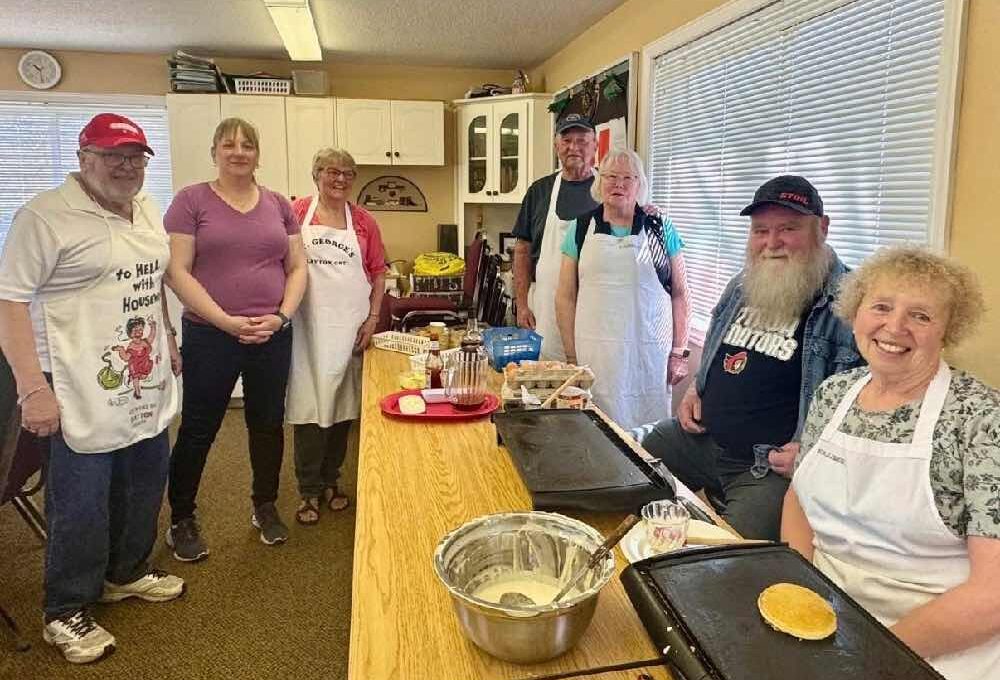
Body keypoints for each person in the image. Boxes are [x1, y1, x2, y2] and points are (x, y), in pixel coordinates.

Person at [0, 113, 184, 664]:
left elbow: (151, 283)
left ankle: (124, 573)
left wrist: (169, 336)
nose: (126, 167)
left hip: (140, 373)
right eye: (113, 155)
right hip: (72, 379)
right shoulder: (44, 217)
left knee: (145, 479)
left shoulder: (146, 208)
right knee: (81, 499)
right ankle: (65, 609)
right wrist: (32, 388)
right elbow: (9, 302)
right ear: (84, 157)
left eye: (135, 157)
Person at [782, 246, 1000, 679]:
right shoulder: (833, 393)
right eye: (881, 307)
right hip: (825, 619)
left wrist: (868, 656)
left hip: (937, 647)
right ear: (856, 312)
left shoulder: (981, 418)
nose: (894, 327)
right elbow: (798, 500)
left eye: (921, 316)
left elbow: (993, 594)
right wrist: (801, 595)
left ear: (948, 329)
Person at [641, 175, 864, 540]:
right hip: (702, 439)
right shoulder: (743, 284)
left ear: (822, 228)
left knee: (734, 557)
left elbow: (864, 408)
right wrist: (697, 390)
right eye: (761, 231)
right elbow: (718, 345)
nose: (771, 243)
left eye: (788, 229)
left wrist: (816, 457)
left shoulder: (850, 304)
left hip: (768, 467)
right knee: (637, 471)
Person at [163, 117, 307, 560]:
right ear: (215, 152)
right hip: (211, 335)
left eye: (247, 144)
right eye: (229, 144)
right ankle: (181, 518)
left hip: (271, 333)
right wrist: (225, 321)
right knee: (200, 428)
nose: (239, 151)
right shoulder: (191, 201)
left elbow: (297, 267)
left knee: (266, 424)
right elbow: (176, 271)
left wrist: (281, 317)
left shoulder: (278, 204)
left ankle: (264, 505)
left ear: (257, 154)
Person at [554, 148, 690, 430]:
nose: (619, 184)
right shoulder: (580, 228)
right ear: (599, 182)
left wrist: (679, 352)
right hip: (595, 355)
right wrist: (571, 357)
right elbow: (565, 297)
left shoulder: (660, 228)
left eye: (628, 178)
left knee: (649, 436)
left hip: (649, 357)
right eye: (611, 176)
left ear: (639, 185)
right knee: (597, 430)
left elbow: (680, 293)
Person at [286, 148, 386, 525]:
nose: (340, 179)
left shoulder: (363, 222)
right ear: (317, 175)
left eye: (347, 172)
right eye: (332, 172)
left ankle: (332, 481)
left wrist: (373, 317)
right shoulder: (296, 213)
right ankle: (308, 490)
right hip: (306, 329)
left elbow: (378, 272)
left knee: (343, 409)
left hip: (350, 328)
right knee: (309, 409)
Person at [512, 113, 600, 360]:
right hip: (546, 307)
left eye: (582, 140)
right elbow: (522, 250)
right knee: (549, 377)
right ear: (556, 146)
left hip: (594, 306)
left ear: (595, 145)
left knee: (592, 372)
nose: (574, 147)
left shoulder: (609, 189)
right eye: (566, 140)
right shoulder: (539, 191)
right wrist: (522, 305)